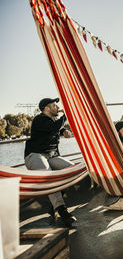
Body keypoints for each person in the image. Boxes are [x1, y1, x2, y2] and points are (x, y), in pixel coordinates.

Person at [24, 97, 77, 227]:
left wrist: (63, 131)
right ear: (46, 108)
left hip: (51, 156)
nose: (58, 108)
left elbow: (56, 128)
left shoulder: (51, 121)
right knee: (49, 176)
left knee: (72, 170)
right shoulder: (39, 119)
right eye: (54, 105)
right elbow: (53, 127)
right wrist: (66, 116)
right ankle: (62, 210)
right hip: (35, 155)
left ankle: (53, 206)